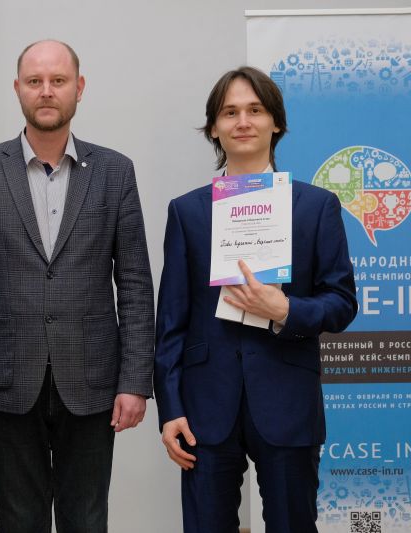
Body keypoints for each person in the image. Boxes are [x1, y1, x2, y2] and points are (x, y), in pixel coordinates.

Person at [0, 40, 154, 532]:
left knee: (87, 520)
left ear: (80, 87)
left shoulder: (115, 171)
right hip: (6, 378)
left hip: (94, 379)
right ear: (18, 89)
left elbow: (136, 285)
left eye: (58, 80)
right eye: (35, 81)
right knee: (18, 521)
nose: (47, 91)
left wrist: (135, 380)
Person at [154, 66, 358, 533]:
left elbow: (342, 302)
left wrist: (285, 310)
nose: (243, 121)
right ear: (214, 128)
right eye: (230, 112)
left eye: (255, 110)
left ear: (276, 123)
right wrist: (171, 408)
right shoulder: (187, 212)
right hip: (204, 408)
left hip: (287, 401)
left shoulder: (316, 206)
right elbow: (171, 322)